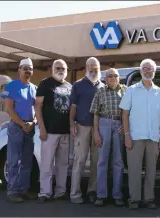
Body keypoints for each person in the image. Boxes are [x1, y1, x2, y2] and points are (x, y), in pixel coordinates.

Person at [119, 59, 160, 210]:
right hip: (135, 137)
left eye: (151, 69)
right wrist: (127, 135)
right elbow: (125, 114)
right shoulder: (131, 90)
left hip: (153, 138)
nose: (148, 71)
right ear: (141, 71)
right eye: (145, 68)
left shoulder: (159, 92)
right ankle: (134, 199)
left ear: (154, 72)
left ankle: (148, 199)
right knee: (134, 170)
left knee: (151, 171)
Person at [35, 59, 72, 203]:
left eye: (63, 68)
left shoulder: (69, 86)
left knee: (63, 164)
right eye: (58, 67)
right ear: (52, 68)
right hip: (49, 132)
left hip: (65, 132)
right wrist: (42, 128)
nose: (60, 70)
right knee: (47, 164)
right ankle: (45, 193)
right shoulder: (45, 84)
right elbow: (38, 106)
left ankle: (60, 192)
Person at [1, 58, 38, 203]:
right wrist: (22, 124)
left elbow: (37, 109)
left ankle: (24, 190)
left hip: (30, 128)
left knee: (27, 161)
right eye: (25, 68)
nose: (27, 71)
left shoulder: (34, 88)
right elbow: (9, 109)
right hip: (16, 127)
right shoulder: (11, 86)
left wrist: (33, 122)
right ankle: (12, 191)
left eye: (30, 68)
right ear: (19, 70)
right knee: (13, 160)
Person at [69, 57, 104, 204]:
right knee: (80, 161)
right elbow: (73, 107)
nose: (93, 69)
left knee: (96, 162)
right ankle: (75, 194)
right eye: (90, 66)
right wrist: (71, 123)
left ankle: (92, 192)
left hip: (99, 129)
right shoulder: (78, 85)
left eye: (95, 66)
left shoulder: (103, 86)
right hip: (81, 127)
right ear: (86, 68)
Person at [90, 68, 127, 207]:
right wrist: (96, 132)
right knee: (102, 161)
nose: (112, 78)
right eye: (109, 76)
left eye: (115, 75)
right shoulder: (100, 91)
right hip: (104, 123)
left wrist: (125, 125)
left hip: (119, 124)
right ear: (105, 79)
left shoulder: (126, 90)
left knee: (118, 161)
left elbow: (130, 110)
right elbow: (95, 113)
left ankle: (117, 195)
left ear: (119, 78)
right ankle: (101, 195)